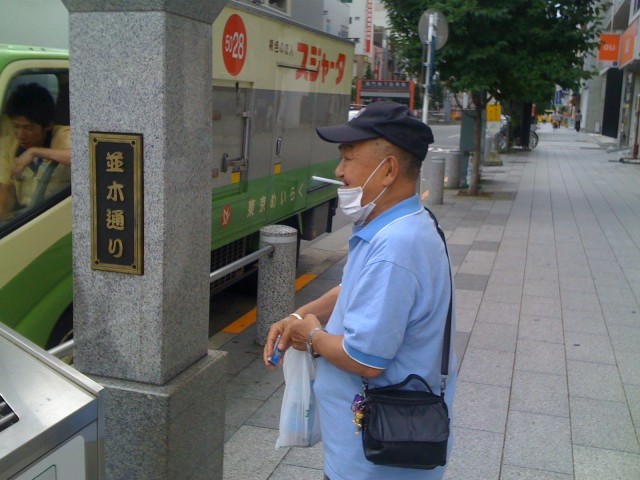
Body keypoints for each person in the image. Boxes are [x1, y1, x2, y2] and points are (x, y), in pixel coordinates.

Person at [263, 102, 457, 480]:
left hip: (375, 461)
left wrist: (312, 335)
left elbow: (364, 358)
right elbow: (351, 289)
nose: (339, 172)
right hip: (372, 445)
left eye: (348, 159)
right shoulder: (398, 225)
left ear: (388, 171)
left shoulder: (396, 246)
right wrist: (300, 315)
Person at [0, 82, 71, 220]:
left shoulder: (64, 135)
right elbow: (3, 191)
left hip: (59, 217)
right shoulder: (9, 145)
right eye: (16, 126)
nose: (20, 135)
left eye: (28, 128)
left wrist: (35, 152)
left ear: (48, 125)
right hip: (26, 218)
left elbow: (88, 156)